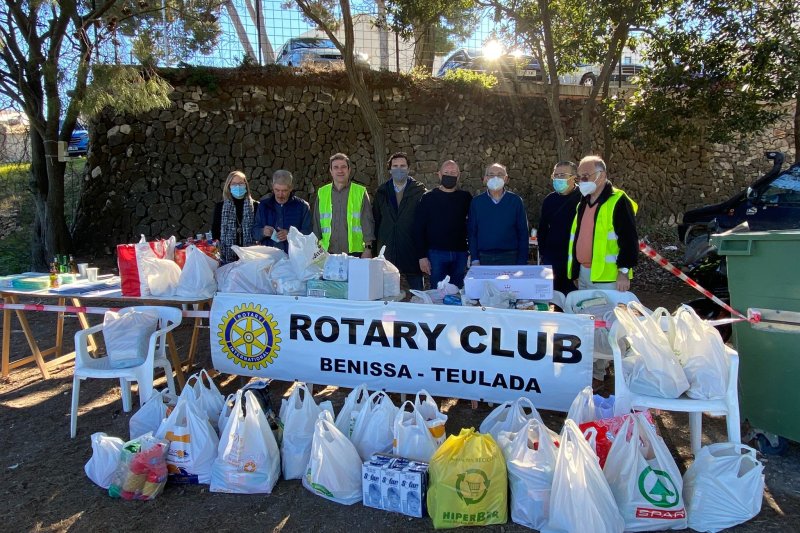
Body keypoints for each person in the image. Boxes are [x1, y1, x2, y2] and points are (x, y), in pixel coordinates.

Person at [567, 155, 638, 292]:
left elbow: (629, 239)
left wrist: (623, 272)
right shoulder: (583, 202)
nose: (582, 181)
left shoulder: (619, 201)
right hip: (584, 274)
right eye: (580, 177)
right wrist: (576, 271)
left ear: (602, 175)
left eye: (586, 176)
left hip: (609, 278)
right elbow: (577, 239)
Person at [373, 151, 427, 290]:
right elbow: (376, 221)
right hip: (387, 252)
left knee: (417, 295)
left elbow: (425, 224)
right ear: (390, 169)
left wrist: (423, 253)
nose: (399, 169)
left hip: (412, 252)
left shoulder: (419, 191)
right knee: (386, 296)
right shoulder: (382, 192)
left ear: (408, 169)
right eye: (395, 166)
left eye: (402, 166)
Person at [414, 160, 472, 288]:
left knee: (457, 293)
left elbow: (473, 225)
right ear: (439, 174)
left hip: (460, 254)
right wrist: (421, 256)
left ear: (458, 175)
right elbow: (418, 228)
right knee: (437, 294)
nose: (449, 175)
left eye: (453, 172)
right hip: (436, 254)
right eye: (446, 172)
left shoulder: (466, 198)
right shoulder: (428, 198)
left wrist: (472, 251)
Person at [312, 153, 375, 257]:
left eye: (343, 167)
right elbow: (316, 223)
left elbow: (367, 222)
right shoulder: (322, 192)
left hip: (355, 252)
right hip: (327, 252)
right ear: (331, 171)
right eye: (336, 167)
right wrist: (315, 250)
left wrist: (368, 249)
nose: (340, 170)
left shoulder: (360, 192)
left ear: (349, 170)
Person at [467, 163, 529, 266]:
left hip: (510, 257)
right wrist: (474, 258)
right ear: (485, 178)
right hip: (483, 258)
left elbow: (523, 232)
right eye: (491, 175)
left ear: (506, 178)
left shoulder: (515, 201)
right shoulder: (476, 202)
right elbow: (472, 232)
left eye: (500, 174)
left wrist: (522, 260)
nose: (495, 177)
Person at [538, 161, 581, 295]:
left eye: (562, 175)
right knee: (552, 301)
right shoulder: (550, 200)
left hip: (575, 262)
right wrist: (545, 255)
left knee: (573, 301)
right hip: (552, 261)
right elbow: (542, 229)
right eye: (555, 175)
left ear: (574, 177)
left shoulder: (584, 198)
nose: (557, 178)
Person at [253, 170, 312, 253]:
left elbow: (309, 234)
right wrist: (262, 231)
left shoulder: (303, 206)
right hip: (268, 257)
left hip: (294, 257)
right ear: (272, 187)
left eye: (284, 191)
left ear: (291, 188)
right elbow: (254, 232)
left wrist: (290, 235)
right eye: (277, 190)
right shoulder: (263, 206)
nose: (280, 195)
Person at [212, 170, 259, 264]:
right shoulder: (220, 206)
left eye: (241, 183)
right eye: (234, 183)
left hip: (250, 256)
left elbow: (259, 230)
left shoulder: (256, 206)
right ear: (229, 186)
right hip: (227, 257)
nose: (238, 186)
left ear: (246, 185)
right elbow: (215, 231)